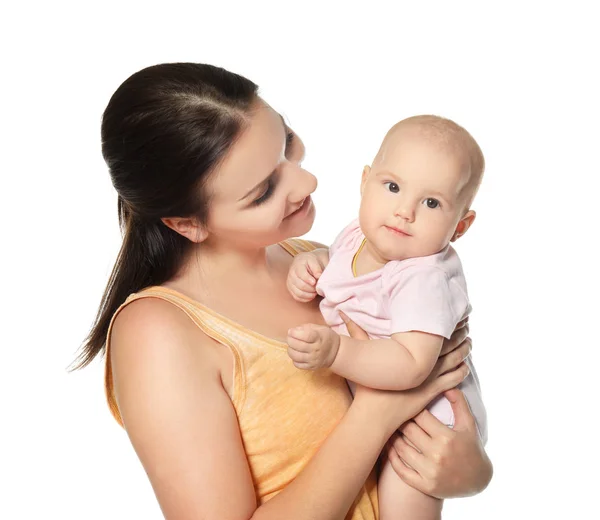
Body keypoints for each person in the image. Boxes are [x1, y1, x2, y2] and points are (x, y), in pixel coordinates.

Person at [76, 62, 492, 519]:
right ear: (186, 223)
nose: (307, 182)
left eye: (288, 147)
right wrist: (376, 416)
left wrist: (471, 472)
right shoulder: (157, 332)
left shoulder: (323, 262)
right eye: (264, 190)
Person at [286, 115, 488, 519]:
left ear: (460, 226)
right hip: (384, 402)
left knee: (404, 493)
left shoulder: (424, 276)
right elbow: (346, 272)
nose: (404, 211)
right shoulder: (358, 235)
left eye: (431, 203)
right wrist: (315, 261)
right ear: (365, 182)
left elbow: (412, 365)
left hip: (430, 419)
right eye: (393, 187)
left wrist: (336, 352)